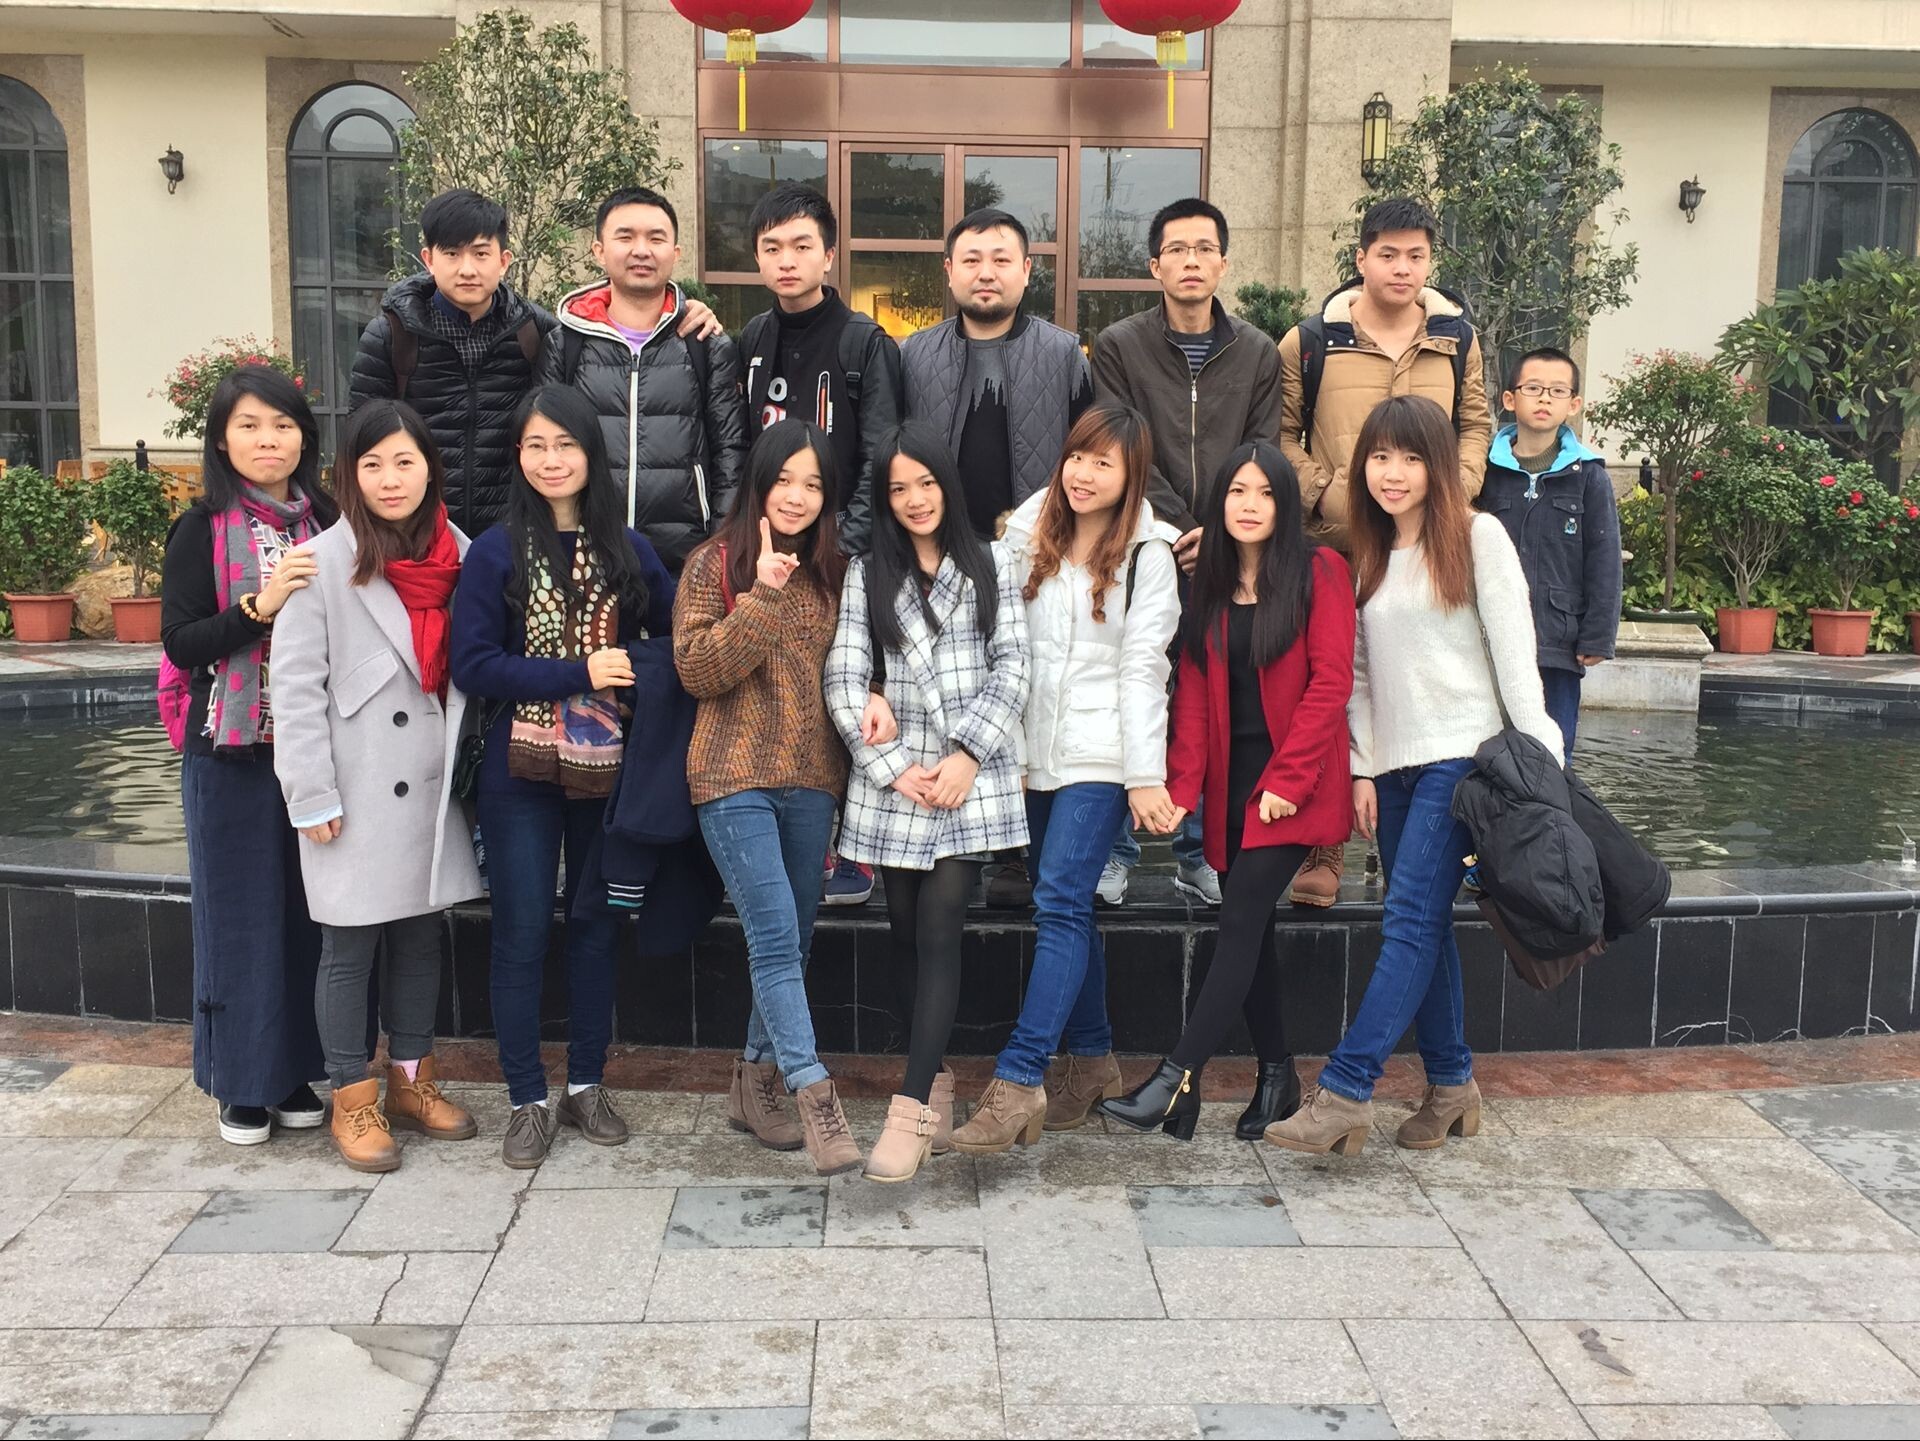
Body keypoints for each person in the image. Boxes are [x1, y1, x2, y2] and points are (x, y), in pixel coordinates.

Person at [1264, 395, 1561, 1157]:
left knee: (1406, 924)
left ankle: (1345, 1091)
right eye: (1379, 457)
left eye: (1410, 457)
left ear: (1438, 466)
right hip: (1393, 769)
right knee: (1424, 925)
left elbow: (1516, 654)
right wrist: (1361, 768)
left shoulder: (1478, 535)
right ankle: (1454, 1084)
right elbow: (1361, 674)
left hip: (1464, 759)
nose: (1392, 473)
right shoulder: (1368, 553)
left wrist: (1543, 759)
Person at [450, 385, 678, 1170]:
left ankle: (586, 1083)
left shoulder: (629, 548)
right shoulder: (495, 550)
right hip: (516, 770)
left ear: (591, 453)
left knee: (595, 924)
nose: (552, 460)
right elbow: (474, 664)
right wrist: (579, 671)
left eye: (566, 445)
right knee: (519, 931)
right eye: (536, 445)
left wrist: (631, 672)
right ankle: (525, 1096)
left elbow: (676, 639)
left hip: (608, 769)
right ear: (518, 455)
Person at [1097, 443, 1354, 1141]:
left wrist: (1288, 780)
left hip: (1294, 786)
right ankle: (1277, 1079)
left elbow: (1331, 683)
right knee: (1253, 931)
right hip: (1235, 792)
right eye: (1237, 491)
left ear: (1285, 504)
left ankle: (1175, 1080)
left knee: (1237, 918)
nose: (1249, 504)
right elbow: (1193, 699)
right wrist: (1180, 790)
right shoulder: (1209, 587)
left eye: (1265, 493)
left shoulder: (1320, 572)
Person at [948, 404, 1182, 1153]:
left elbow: (1145, 670)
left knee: (1057, 904)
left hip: (1103, 757)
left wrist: (1144, 775)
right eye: (1077, 456)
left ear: (1131, 476)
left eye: (1103, 463)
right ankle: (1094, 1063)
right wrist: (1010, 753)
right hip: (1036, 756)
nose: (1083, 474)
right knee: (1068, 909)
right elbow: (1003, 650)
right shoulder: (1025, 536)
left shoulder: (1149, 556)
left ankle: (1019, 1081)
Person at [271, 400, 482, 1173]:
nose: (390, 479)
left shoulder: (462, 553)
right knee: (349, 943)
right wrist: (310, 793)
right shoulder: (319, 560)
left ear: (430, 468)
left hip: (430, 784)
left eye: (404, 461)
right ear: (348, 475)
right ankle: (351, 1097)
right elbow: (295, 688)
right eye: (372, 464)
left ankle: (412, 1082)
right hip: (356, 786)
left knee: (421, 937)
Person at [823, 423, 1031, 1182]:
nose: (915, 499)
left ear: (948, 483)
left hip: (966, 779)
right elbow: (844, 676)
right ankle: (936, 1084)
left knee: (941, 927)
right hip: (900, 781)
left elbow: (1014, 665)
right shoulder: (867, 572)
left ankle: (908, 1110)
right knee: (904, 931)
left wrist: (967, 754)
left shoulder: (992, 563)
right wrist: (890, 767)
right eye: (899, 488)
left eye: (927, 483)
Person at [1275, 196, 1494, 908]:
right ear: (1362, 258)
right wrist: (1326, 494)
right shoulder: (1311, 341)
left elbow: (1475, 423)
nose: (1402, 268)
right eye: (1388, 254)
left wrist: (1456, 490)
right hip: (1338, 548)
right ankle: (1325, 843)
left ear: (1430, 261)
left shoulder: (1456, 339)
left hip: (1427, 545)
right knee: (1332, 687)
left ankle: (1418, 847)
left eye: (1416, 255)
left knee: (1416, 682)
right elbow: (1280, 434)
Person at [672, 418, 861, 1177]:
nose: (796, 496)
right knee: (776, 934)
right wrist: (760, 599)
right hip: (732, 775)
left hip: (812, 779)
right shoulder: (713, 563)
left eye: (813, 484)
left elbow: (850, 670)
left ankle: (752, 1084)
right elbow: (697, 670)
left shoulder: (835, 573)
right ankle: (815, 1095)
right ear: (759, 481)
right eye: (785, 479)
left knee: (795, 938)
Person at [1089, 196, 1284, 909]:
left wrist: (1223, 535)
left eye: (1204, 248)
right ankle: (1113, 852)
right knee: (1132, 686)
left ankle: (1200, 852)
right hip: (1140, 544)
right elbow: (1120, 442)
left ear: (1223, 263)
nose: (1191, 261)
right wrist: (1177, 531)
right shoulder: (1119, 345)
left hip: (1232, 554)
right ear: (1155, 265)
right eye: (1177, 249)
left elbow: (1262, 448)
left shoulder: (1257, 352)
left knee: (1216, 699)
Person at [160, 365, 337, 1146]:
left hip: (315, 750)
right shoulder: (201, 527)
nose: (269, 440)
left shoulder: (329, 520)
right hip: (230, 752)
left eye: (283, 425)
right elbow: (181, 641)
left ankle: (293, 1070)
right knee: (239, 919)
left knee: (305, 918)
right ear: (222, 440)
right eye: (250, 426)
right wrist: (261, 606)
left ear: (304, 437)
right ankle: (240, 1082)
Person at [901, 206, 1092, 906]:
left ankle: (1018, 852)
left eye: (1002, 259)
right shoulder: (913, 354)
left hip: (1034, 554)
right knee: (945, 693)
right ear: (949, 271)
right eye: (972, 259)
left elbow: (1090, 456)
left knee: (1026, 690)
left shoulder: (1063, 353)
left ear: (1027, 270)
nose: (987, 273)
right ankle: (945, 838)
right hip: (937, 555)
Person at [735, 181, 905, 908]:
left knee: (849, 691)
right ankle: (784, 837)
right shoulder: (750, 341)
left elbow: (880, 454)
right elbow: (737, 448)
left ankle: (853, 849)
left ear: (829, 254)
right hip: (767, 549)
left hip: (843, 557)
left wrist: (842, 549)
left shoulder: (864, 342)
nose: (787, 260)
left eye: (802, 245)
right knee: (778, 691)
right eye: (772, 247)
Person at [546, 186, 748, 572]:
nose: (641, 250)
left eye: (656, 238)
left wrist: (719, 549)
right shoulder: (565, 343)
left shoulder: (705, 344)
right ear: (599, 250)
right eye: (625, 237)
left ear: (676, 253)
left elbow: (731, 455)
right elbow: (543, 448)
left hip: (684, 562)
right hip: (583, 558)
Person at [1475, 346, 1620, 755]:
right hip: (1489, 639)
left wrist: (1597, 636)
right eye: (1533, 388)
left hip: (1556, 640)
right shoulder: (1484, 471)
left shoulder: (1589, 476)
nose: (1544, 399)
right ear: (1509, 399)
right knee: (1485, 749)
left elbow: (1604, 560)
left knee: (1553, 751)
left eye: (1557, 391)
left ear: (1573, 404)